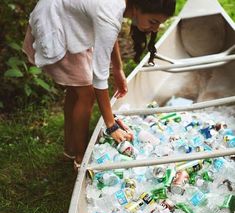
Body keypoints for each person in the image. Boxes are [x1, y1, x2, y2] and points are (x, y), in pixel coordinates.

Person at [23, 0, 176, 169]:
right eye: (153, 22)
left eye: (159, 24)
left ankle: (70, 147)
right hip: (56, 23)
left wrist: (118, 69)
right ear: (137, 7)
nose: (155, 29)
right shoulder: (110, 12)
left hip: (72, 21)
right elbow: (99, 76)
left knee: (77, 90)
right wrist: (111, 125)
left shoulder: (117, 9)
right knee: (86, 94)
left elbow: (110, 32)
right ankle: (80, 158)